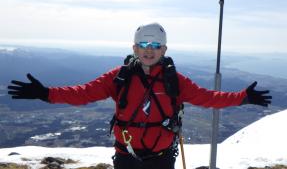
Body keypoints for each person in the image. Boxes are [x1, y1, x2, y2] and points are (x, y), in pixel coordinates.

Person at [7, 22, 272, 169]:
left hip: (161, 159)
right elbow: (84, 93)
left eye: (155, 45)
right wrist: (46, 94)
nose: (149, 50)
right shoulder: (119, 77)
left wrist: (243, 97)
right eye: (143, 45)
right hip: (126, 156)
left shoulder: (174, 80)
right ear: (134, 48)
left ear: (164, 49)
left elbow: (207, 97)